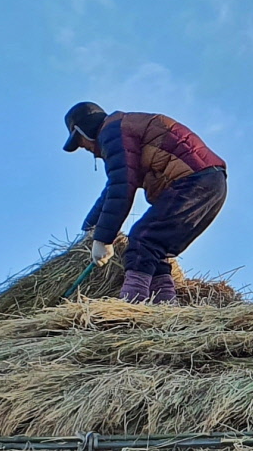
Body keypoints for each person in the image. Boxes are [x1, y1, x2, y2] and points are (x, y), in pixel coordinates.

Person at [62, 101, 229, 303]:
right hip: (211, 182)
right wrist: (90, 228)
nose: (83, 148)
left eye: (79, 141)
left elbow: (121, 185)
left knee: (142, 239)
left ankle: (133, 306)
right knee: (155, 250)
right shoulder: (124, 128)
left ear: (84, 130)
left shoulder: (112, 131)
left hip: (193, 181)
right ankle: (165, 307)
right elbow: (111, 191)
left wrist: (103, 239)